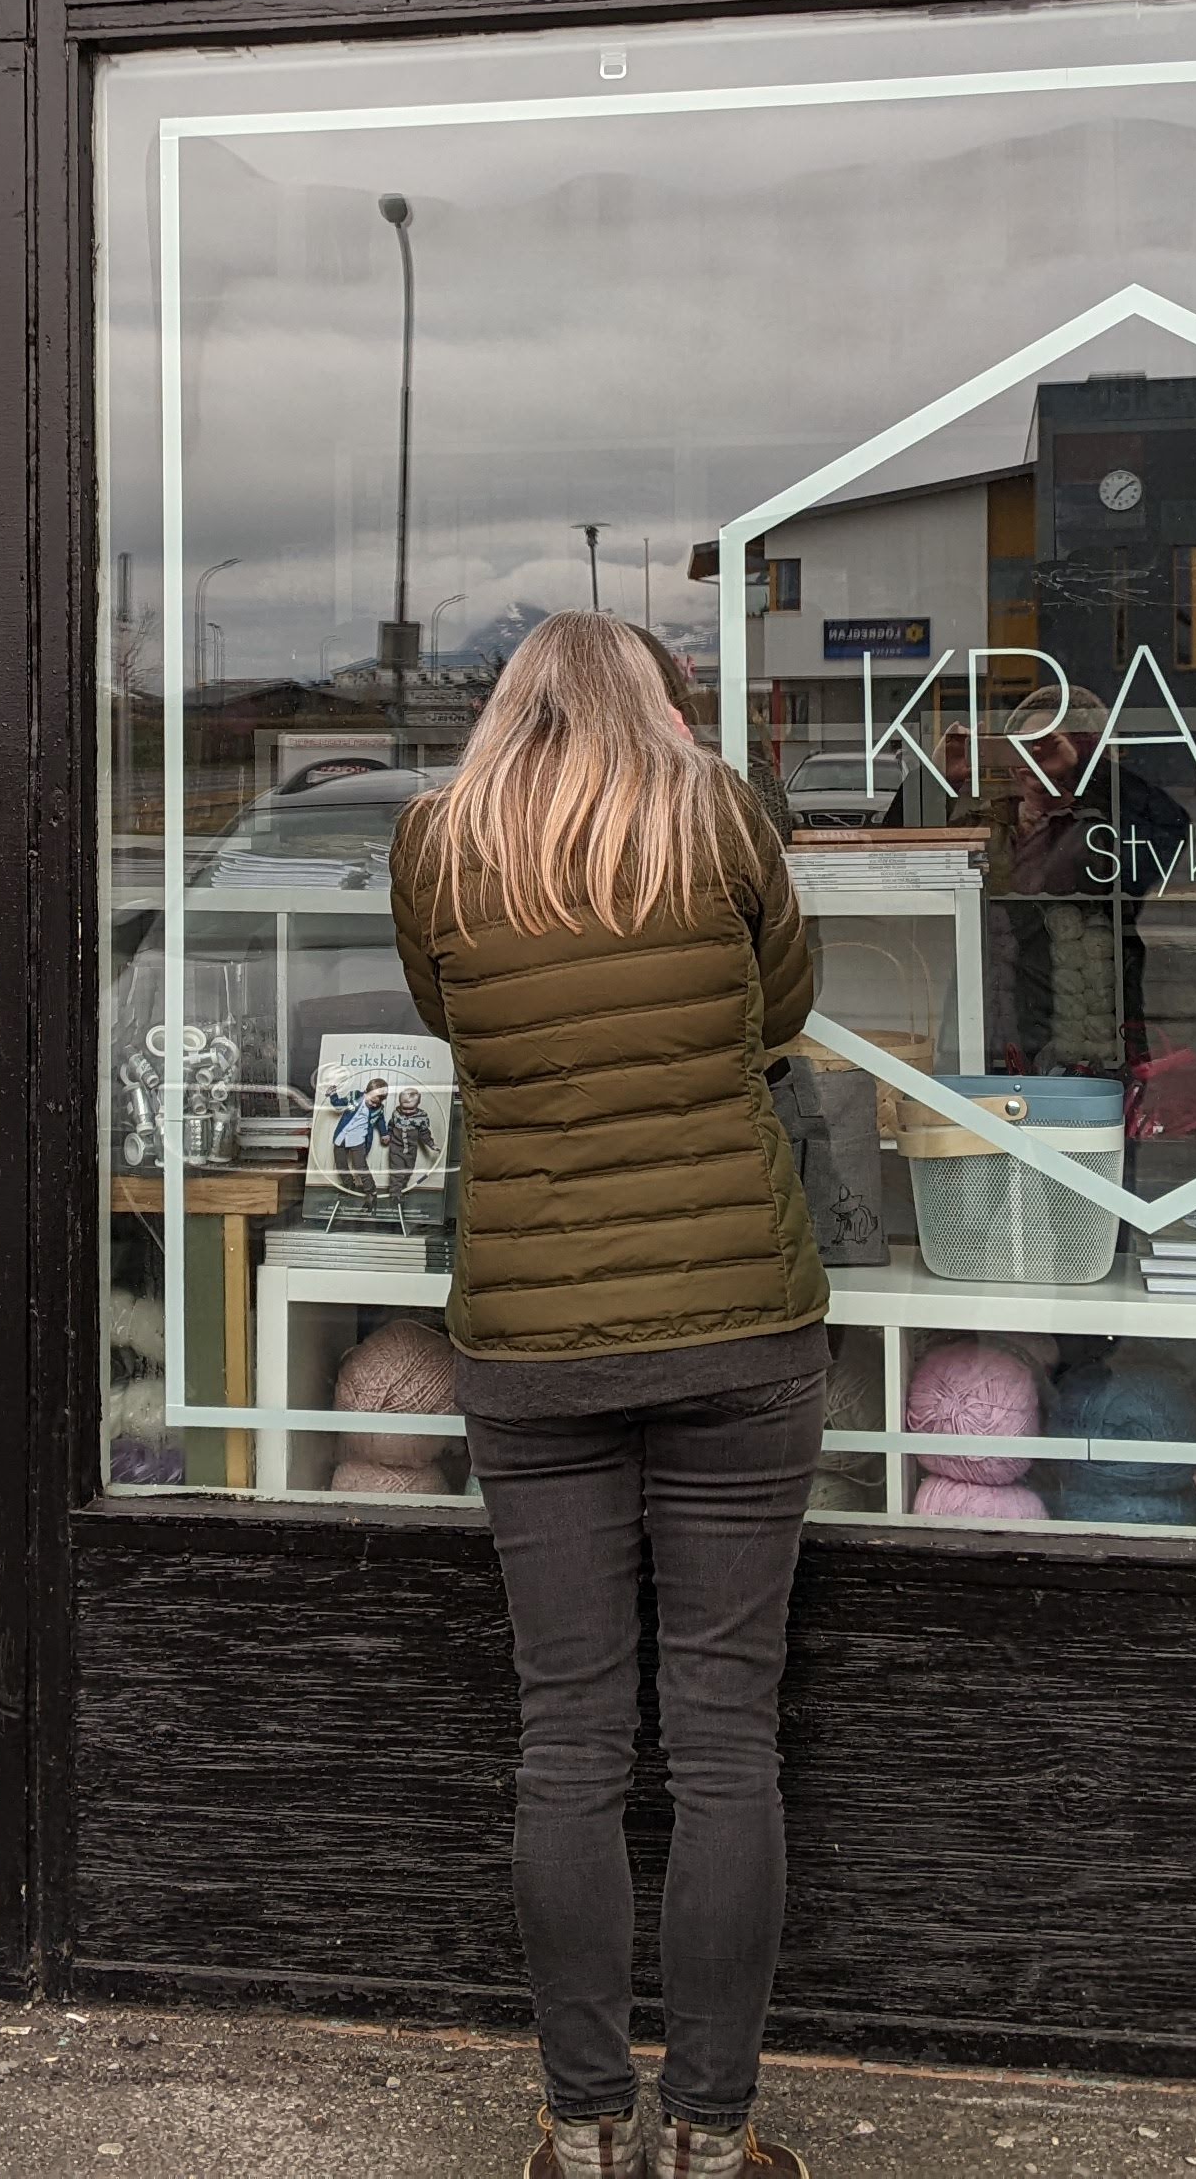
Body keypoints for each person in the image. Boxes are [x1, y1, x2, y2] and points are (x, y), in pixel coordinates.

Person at [390, 609, 826, 2179]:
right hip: (740, 1340)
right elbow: (778, 1017)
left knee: (567, 1738)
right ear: (660, 700)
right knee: (724, 1741)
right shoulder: (723, 817)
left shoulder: (440, 845)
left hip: (534, 1342)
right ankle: (711, 2137)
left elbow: (461, 1033)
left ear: (507, 706)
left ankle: (579, 2131)